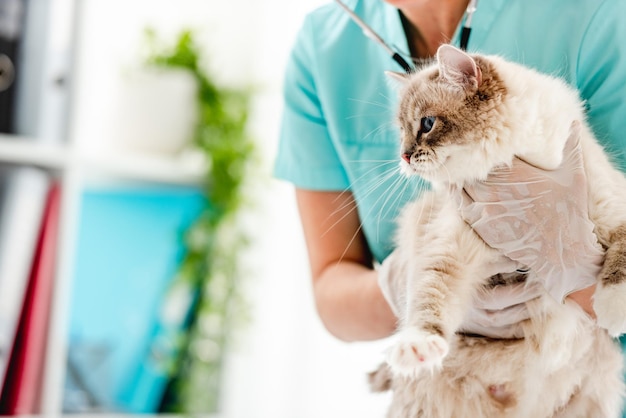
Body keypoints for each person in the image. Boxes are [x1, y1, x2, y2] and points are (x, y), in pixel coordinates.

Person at [274, 0, 626, 368]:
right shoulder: (323, 44)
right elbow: (332, 294)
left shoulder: (597, 14)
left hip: (584, 381)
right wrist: (405, 287)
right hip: (452, 384)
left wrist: (572, 267)